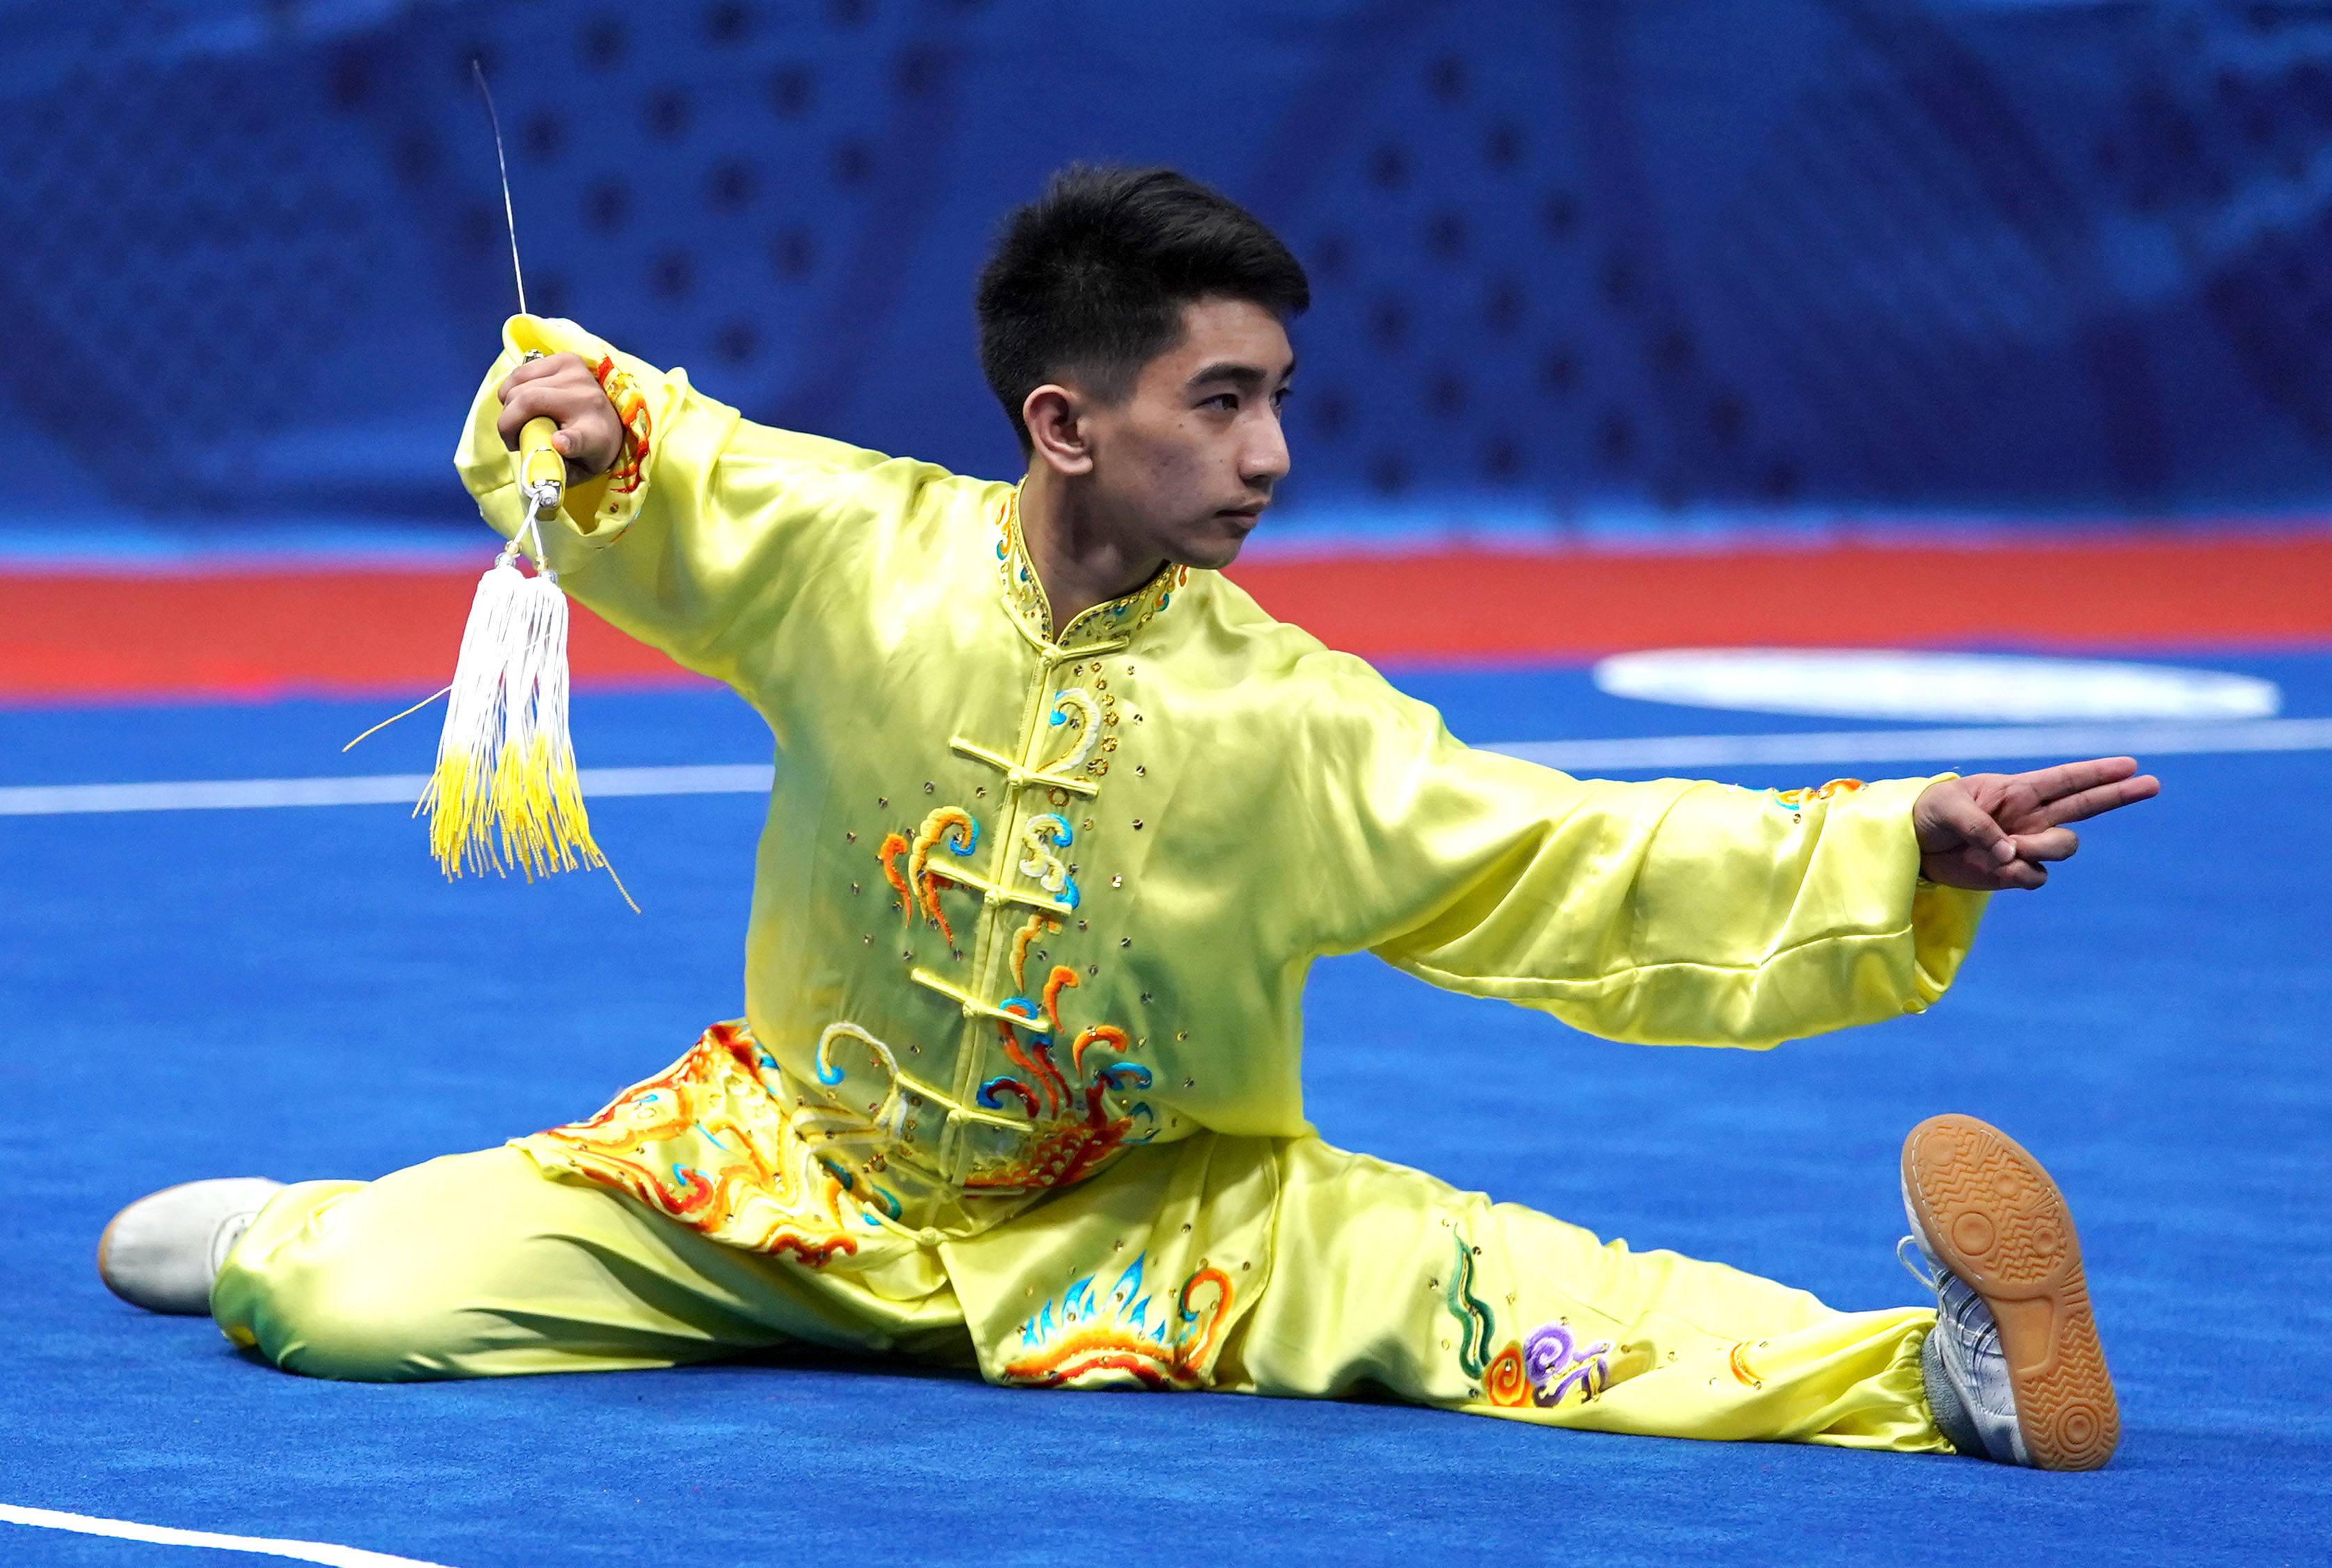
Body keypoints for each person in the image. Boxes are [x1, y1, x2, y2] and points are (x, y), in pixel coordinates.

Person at [99, 166, 2156, 1470]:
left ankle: (1942, 1380)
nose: (1273, 452)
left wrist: (1890, 845)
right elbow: (675, 457)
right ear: (1064, 425)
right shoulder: (859, 558)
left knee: (1539, 1317)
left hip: (1173, 1224)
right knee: (357, 1310)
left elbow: (1568, 870)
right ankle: (303, 1226)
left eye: (1280, 401)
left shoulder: (1299, 723)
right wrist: (580, 414)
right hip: (780, 1177)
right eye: (1223, 400)